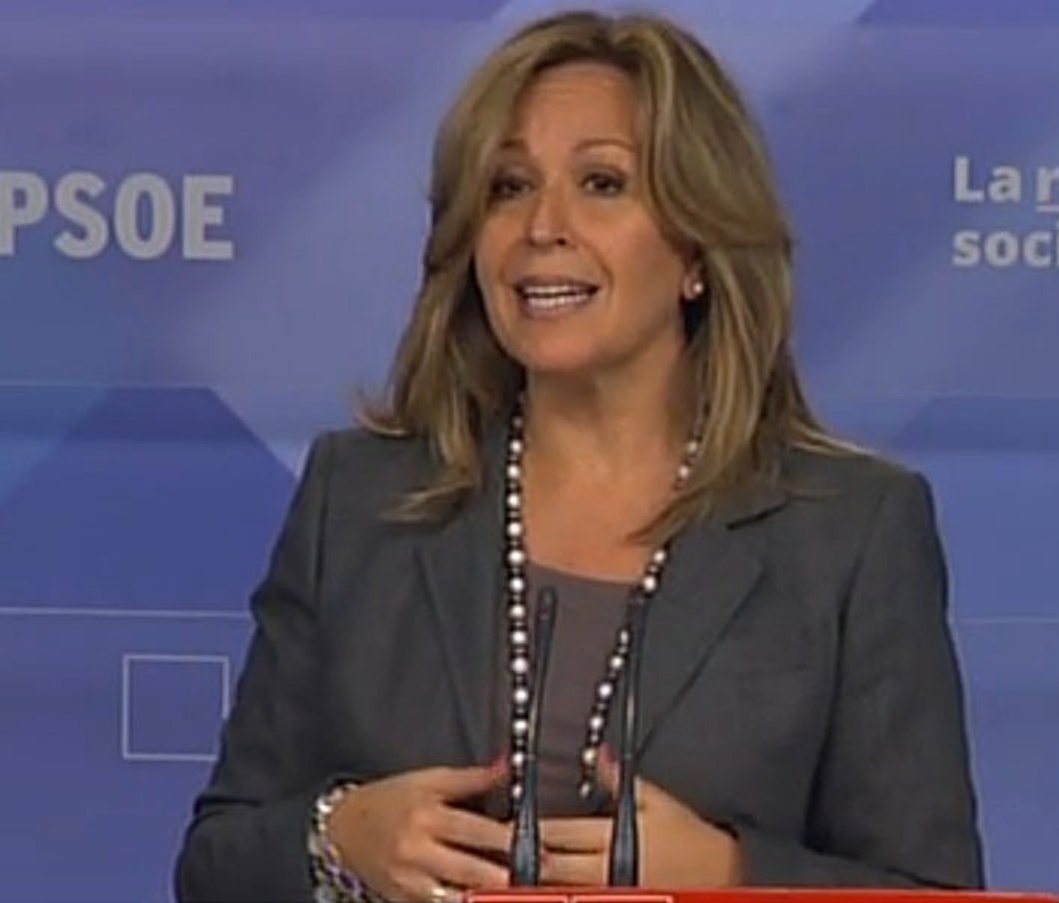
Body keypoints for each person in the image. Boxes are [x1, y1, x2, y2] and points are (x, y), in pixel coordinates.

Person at [174, 9, 984, 902]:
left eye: (602, 183)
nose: (541, 226)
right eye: (508, 186)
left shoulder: (851, 531)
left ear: (698, 250)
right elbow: (216, 863)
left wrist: (730, 875)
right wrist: (339, 836)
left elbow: (931, 890)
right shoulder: (359, 499)